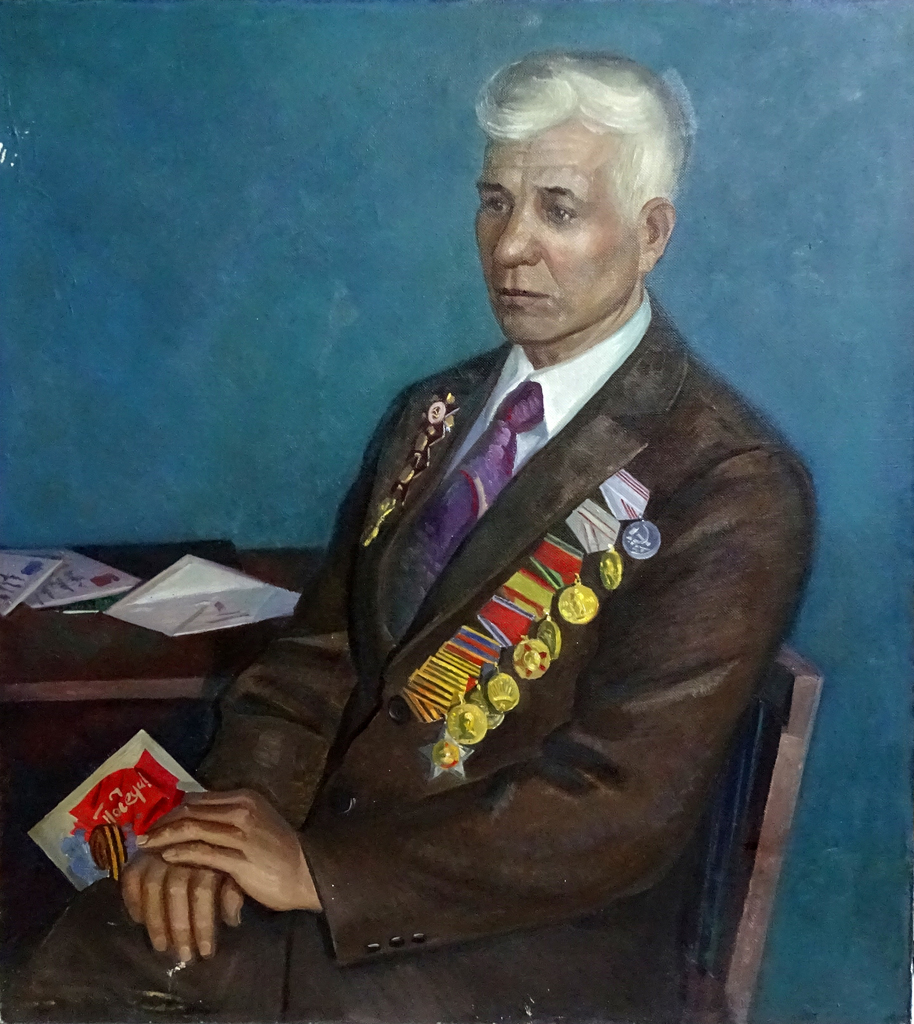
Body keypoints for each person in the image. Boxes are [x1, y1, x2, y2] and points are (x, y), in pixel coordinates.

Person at [10, 50, 814, 1024]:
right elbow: (317, 663)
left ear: (650, 234)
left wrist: (317, 872)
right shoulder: (432, 412)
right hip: (334, 883)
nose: (510, 246)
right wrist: (217, 835)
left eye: (557, 209)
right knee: (86, 944)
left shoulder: (726, 479)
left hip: (522, 952)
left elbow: (617, 805)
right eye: (494, 203)